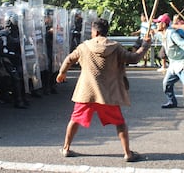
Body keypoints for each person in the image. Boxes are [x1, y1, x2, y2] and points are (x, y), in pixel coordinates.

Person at [56, 18, 151, 161]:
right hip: (108, 94)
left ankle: (66, 148)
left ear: (96, 32)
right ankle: (127, 153)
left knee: (75, 119)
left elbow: (69, 59)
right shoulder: (116, 47)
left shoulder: (84, 47)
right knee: (120, 123)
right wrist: (145, 45)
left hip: (86, 93)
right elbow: (134, 58)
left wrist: (62, 73)